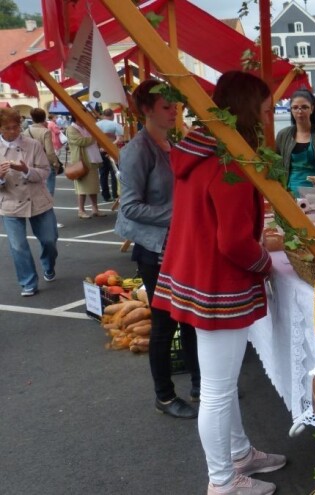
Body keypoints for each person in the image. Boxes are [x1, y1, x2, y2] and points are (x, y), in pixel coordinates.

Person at [152, 71, 286, 495]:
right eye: (266, 111)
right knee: (217, 390)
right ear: (248, 110)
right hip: (218, 283)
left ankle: (239, 454)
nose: (269, 120)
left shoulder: (200, 148)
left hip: (193, 274)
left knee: (219, 384)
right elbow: (232, 241)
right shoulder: (229, 159)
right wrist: (265, 263)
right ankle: (224, 482)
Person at [115, 79, 200, 420]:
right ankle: (164, 396)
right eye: (166, 106)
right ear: (147, 110)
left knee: (190, 320)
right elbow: (130, 207)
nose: (174, 111)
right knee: (165, 324)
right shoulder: (138, 150)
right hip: (155, 251)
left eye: (175, 106)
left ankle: (199, 383)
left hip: (177, 246)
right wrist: (181, 213)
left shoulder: (167, 144)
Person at [0, 108, 58, 296]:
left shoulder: (32, 144)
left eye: (16, 127)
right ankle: (28, 282)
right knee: (18, 245)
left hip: (37, 198)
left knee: (49, 240)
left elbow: (44, 171)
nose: (13, 131)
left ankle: (48, 265)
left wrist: (26, 170)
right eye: (7, 128)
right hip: (10, 201)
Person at [271, 89, 315, 195]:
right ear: (291, 110)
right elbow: (275, 165)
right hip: (289, 194)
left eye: (304, 107)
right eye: (295, 107)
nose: (299, 111)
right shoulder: (283, 135)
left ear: (312, 109)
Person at [66, 116, 107, 218]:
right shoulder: (71, 129)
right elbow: (80, 141)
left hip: (92, 159)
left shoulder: (86, 127)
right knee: (82, 188)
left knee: (93, 187)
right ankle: (81, 210)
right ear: (76, 118)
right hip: (81, 162)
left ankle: (95, 209)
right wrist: (95, 137)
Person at [26, 108, 63, 197]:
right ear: (44, 118)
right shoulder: (45, 131)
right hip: (45, 161)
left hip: (31, 162)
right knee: (49, 189)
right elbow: (50, 151)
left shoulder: (26, 131)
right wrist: (56, 163)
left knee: (35, 188)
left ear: (32, 118)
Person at [96, 108, 124, 201]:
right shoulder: (116, 125)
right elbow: (119, 139)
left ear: (103, 115)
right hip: (112, 150)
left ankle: (105, 195)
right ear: (112, 115)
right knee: (114, 173)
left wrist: (101, 147)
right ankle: (115, 194)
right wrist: (110, 145)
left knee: (103, 173)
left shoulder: (96, 125)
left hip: (99, 150)